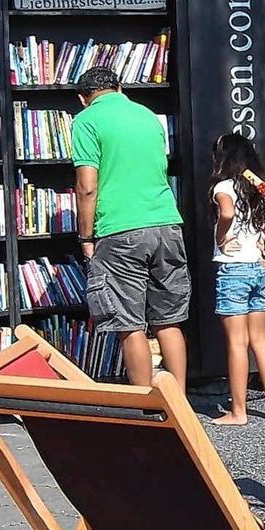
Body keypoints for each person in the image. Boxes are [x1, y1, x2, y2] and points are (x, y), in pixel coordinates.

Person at [72, 67, 189, 389]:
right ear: (120, 87)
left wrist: (86, 236)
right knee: (168, 320)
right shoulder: (148, 116)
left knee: (129, 323)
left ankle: (145, 401)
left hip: (120, 228)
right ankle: (179, 399)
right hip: (166, 223)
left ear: (84, 99)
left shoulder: (86, 121)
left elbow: (86, 186)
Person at [208, 134, 265, 426]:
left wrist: (221, 237)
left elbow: (226, 212)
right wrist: (264, 236)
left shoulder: (223, 186)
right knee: (261, 340)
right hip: (258, 267)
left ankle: (238, 411)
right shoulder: (257, 187)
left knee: (237, 344)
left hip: (234, 270)